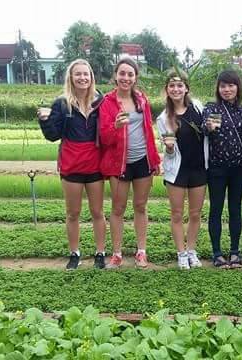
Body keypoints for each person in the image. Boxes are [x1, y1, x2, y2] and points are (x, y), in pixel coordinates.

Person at [37, 59, 106, 270]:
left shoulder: (100, 101)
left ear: (91, 77)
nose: (82, 78)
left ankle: (100, 252)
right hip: (71, 164)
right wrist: (45, 120)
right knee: (73, 212)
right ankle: (74, 253)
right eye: (78, 74)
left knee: (97, 211)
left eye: (86, 74)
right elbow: (53, 135)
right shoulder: (61, 103)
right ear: (71, 77)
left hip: (95, 164)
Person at [99, 58, 161, 269]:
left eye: (130, 74)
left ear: (135, 78)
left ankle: (141, 252)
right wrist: (115, 126)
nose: (126, 78)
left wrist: (154, 158)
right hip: (119, 163)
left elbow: (149, 133)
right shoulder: (107, 102)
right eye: (122, 73)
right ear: (116, 76)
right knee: (118, 209)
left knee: (140, 206)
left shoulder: (142, 101)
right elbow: (104, 139)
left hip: (142, 161)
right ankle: (117, 254)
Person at [156, 69, 206, 269]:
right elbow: (169, 153)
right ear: (167, 90)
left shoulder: (198, 108)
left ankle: (191, 250)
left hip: (199, 168)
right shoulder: (163, 118)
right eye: (171, 85)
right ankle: (181, 253)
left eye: (179, 85)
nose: (176, 89)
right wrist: (168, 147)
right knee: (177, 213)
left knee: (195, 213)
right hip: (177, 171)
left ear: (186, 88)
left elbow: (206, 134)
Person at [203, 70, 242, 269]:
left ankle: (235, 251)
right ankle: (217, 252)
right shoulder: (211, 108)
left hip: (239, 168)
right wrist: (208, 128)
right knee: (216, 209)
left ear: (237, 87)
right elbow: (202, 129)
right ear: (218, 88)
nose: (227, 89)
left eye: (231, 85)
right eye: (223, 86)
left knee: (235, 209)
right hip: (217, 169)